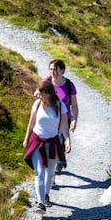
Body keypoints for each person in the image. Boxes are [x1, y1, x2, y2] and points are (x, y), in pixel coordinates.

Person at [23, 79, 70, 212]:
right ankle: (41, 203)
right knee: (40, 172)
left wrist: (67, 141)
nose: (39, 95)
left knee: (50, 172)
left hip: (53, 142)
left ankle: (46, 195)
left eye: (41, 93)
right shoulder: (37, 104)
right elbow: (31, 123)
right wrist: (26, 139)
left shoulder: (61, 107)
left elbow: (64, 127)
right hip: (37, 141)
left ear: (48, 94)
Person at [44, 59, 78, 173]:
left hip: (64, 120)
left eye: (55, 69)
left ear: (62, 71)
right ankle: (52, 171)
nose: (52, 72)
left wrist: (74, 119)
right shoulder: (46, 83)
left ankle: (59, 160)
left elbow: (74, 105)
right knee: (51, 146)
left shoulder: (69, 85)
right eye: (51, 69)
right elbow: (37, 94)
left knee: (60, 143)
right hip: (50, 120)